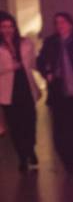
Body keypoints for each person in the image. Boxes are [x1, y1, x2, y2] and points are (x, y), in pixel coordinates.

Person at [38, 12, 73, 173]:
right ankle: (65, 156)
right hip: (58, 91)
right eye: (57, 22)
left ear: (70, 24)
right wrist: (47, 73)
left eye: (63, 22)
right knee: (60, 128)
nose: (60, 25)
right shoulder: (50, 42)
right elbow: (41, 61)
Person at [0, 11, 40, 173]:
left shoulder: (26, 43)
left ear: (15, 27)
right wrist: (10, 67)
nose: (7, 30)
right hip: (8, 92)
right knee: (15, 126)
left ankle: (31, 149)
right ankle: (22, 156)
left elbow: (34, 63)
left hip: (26, 87)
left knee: (30, 122)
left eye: (10, 26)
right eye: (4, 27)